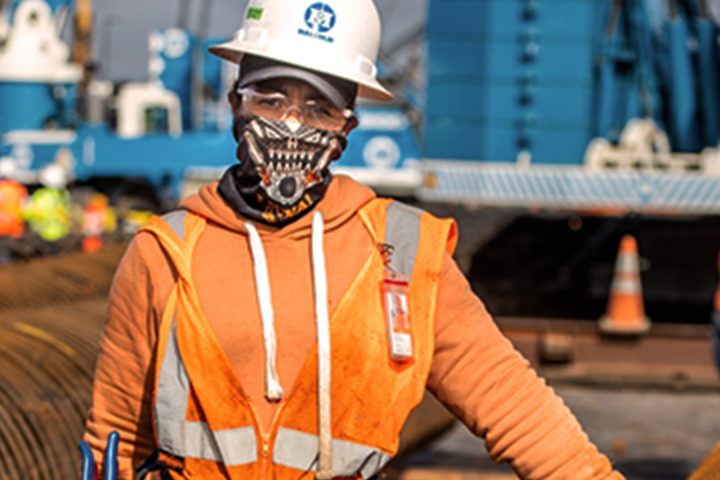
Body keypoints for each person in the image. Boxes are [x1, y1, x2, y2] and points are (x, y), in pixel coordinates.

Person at [83, 1, 626, 478]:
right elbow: (116, 443)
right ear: (235, 103)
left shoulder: (401, 253)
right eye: (270, 99)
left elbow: (513, 405)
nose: (292, 125)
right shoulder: (165, 253)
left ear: (347, 127)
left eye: (318, 107)